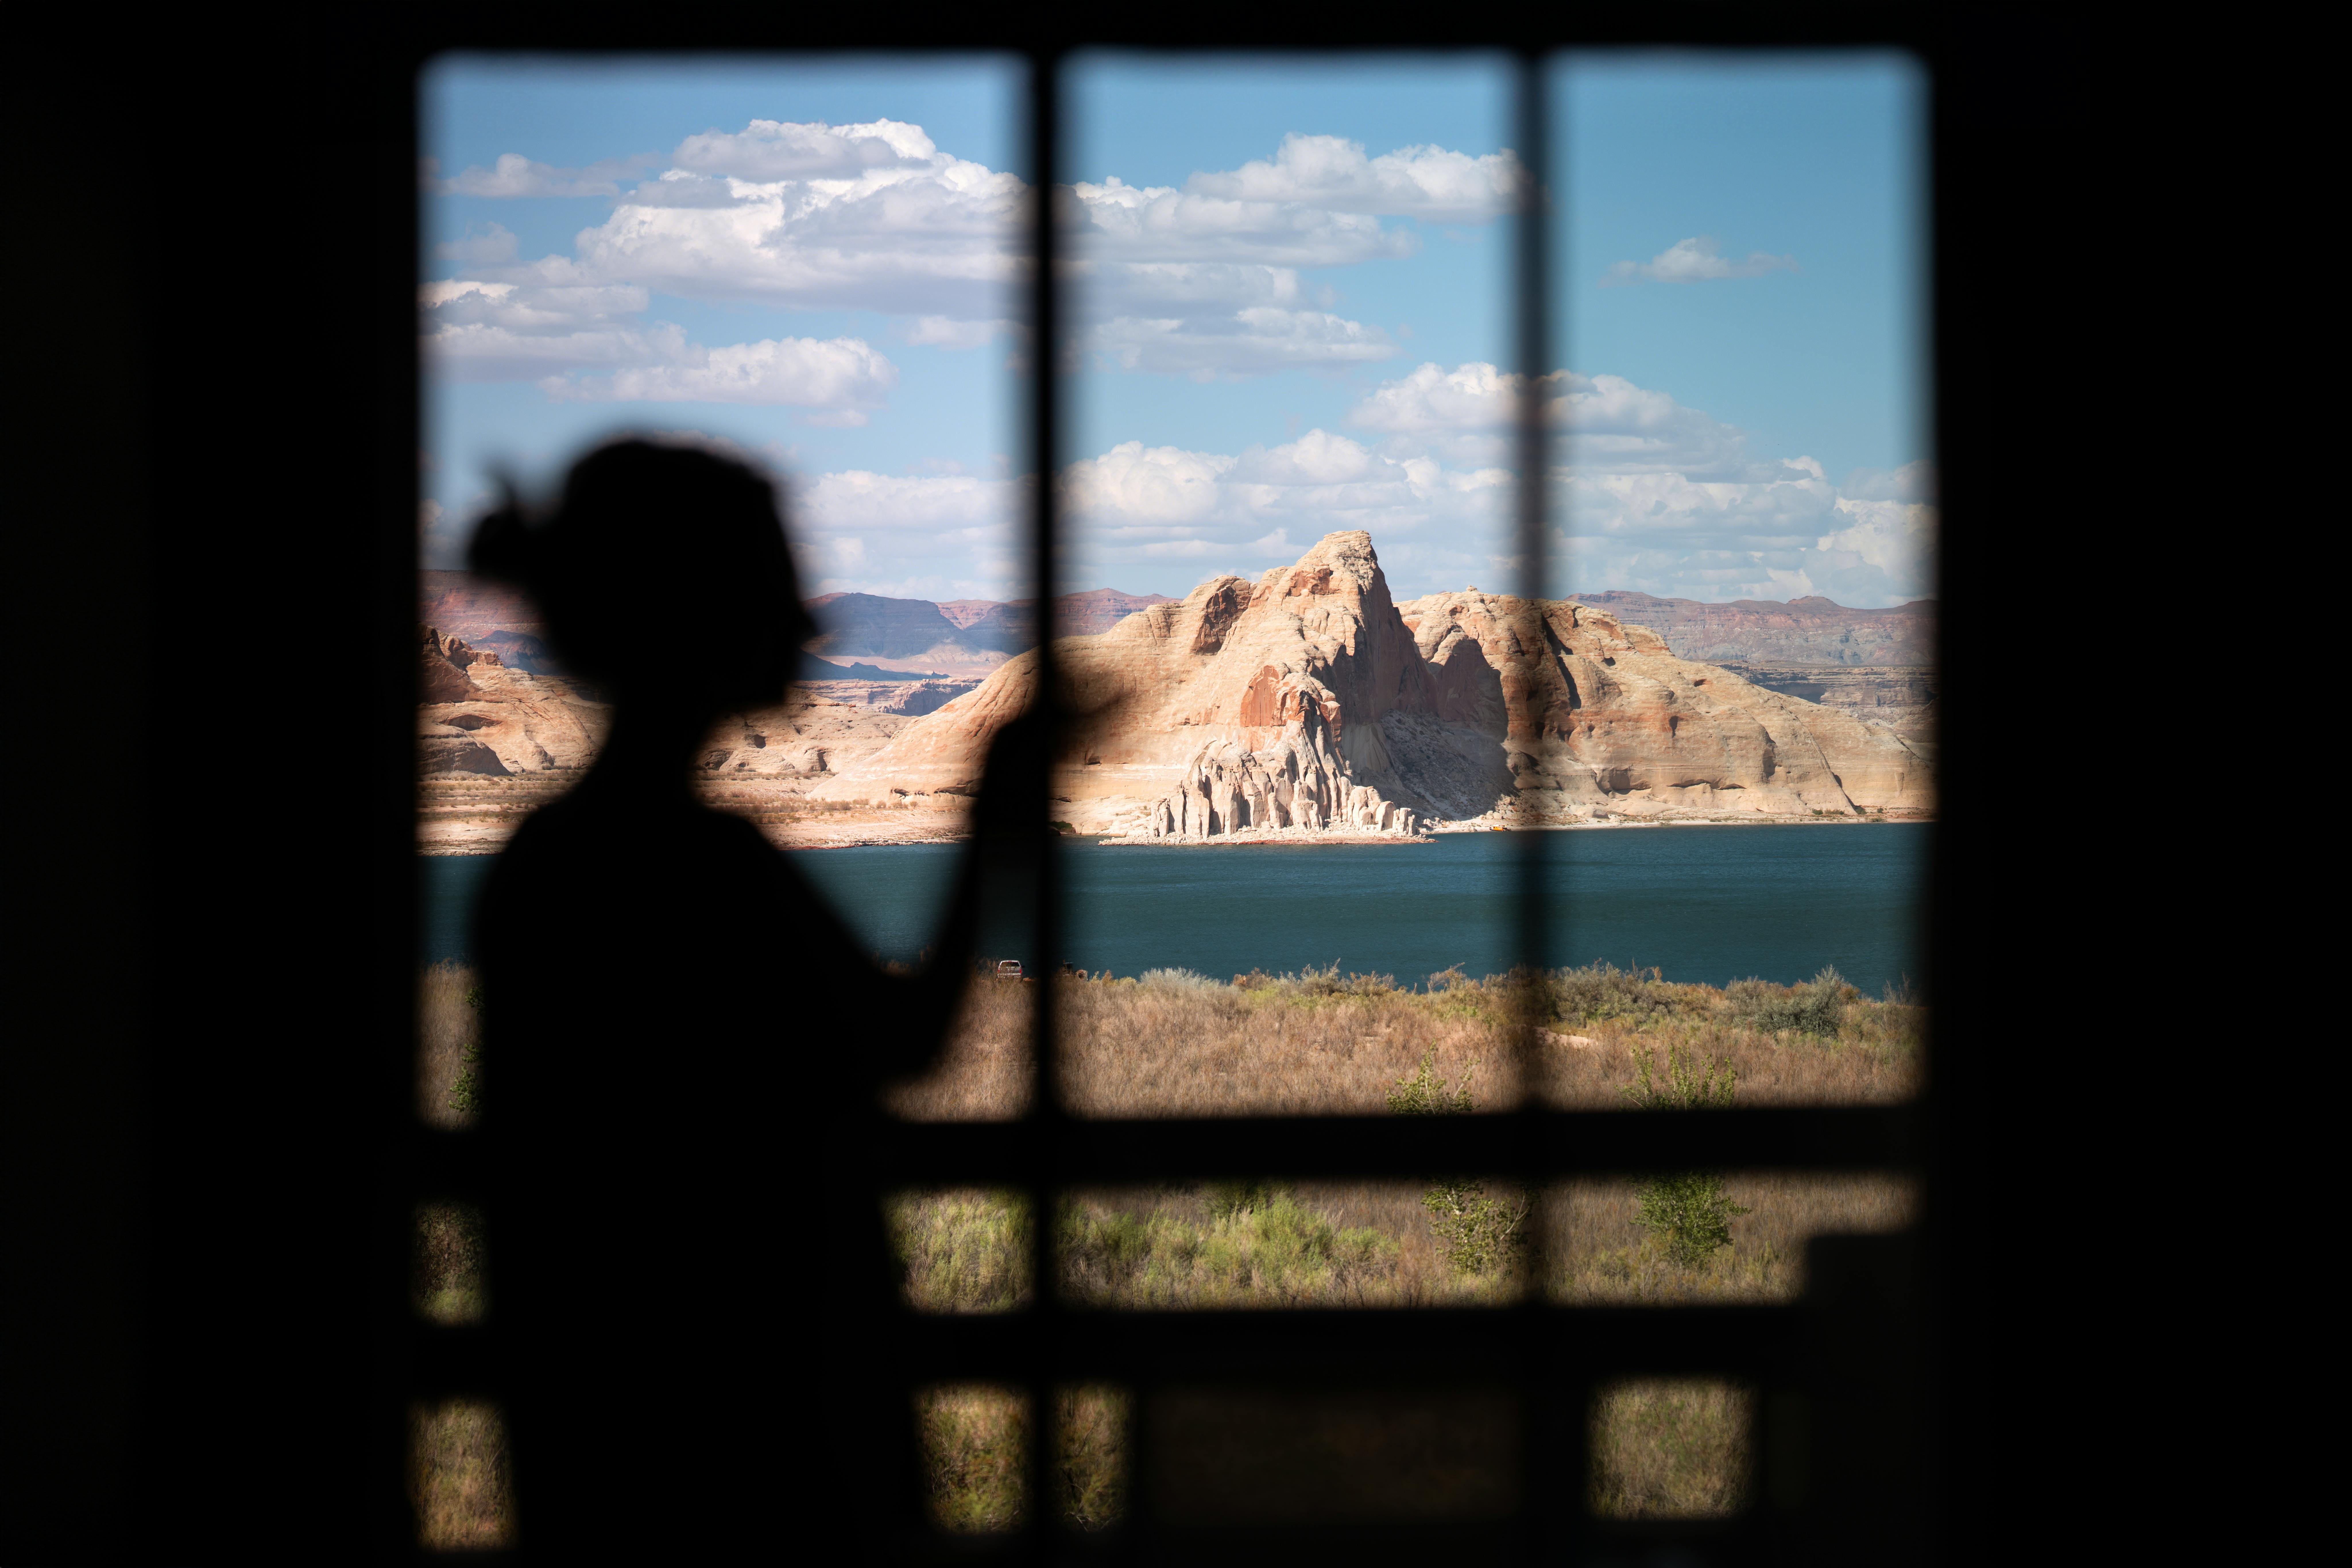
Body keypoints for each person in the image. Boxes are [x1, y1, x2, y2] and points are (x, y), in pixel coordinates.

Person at [465, 438, 1040, 1558]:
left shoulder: (550, 861)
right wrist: (997, 824)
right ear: (696, 612)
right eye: (778, 584)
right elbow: (905, 1045)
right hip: (767, 1446)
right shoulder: (699, 867)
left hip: (611, 1457)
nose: (812, 628)